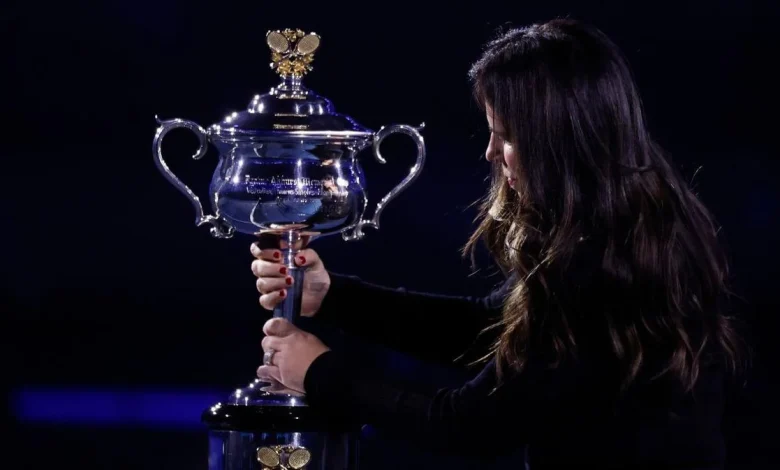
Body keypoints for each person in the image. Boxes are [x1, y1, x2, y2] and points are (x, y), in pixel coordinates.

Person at [250, 18, 743, 469]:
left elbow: (468, 425)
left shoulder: (595, 265)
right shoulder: (629, 225)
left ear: (557, 141)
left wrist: (319, 372)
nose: (491, 153)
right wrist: (333, 295)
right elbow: (492, 330)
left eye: (505, 136)